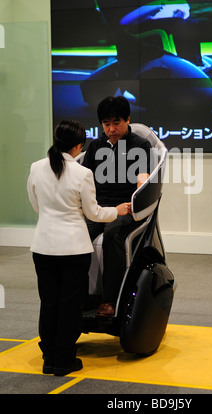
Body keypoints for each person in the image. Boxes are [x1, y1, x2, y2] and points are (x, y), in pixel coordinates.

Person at [27, 119, 130, 376]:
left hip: (43, 246)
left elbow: (36, 206)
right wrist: (115, 211)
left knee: (48, 302)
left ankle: (49, 358)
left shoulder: (37, 167)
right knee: (70, 304)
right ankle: (64, 360)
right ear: (78, 146)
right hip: (73, 248)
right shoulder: (83, 173)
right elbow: (93, 213)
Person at [82, 96, 151, 317]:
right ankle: (79, 296)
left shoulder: (141, 145)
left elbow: (143, 180)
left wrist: (133, 202)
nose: (111, 129)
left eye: (116, 122)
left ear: (128, 119)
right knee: (77, 232)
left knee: (113, 234)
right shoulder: (95, 146)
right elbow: (84, 180)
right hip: (99, 208)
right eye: (106, 124)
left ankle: (110, 300)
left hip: (127, 208)